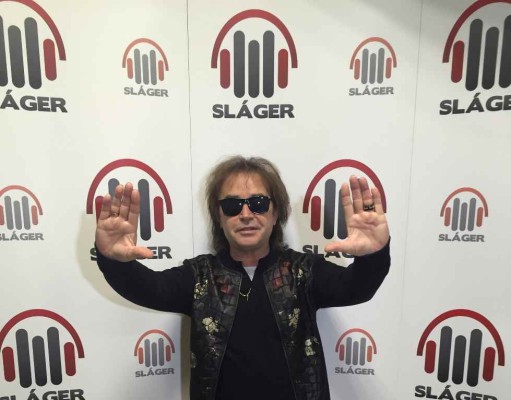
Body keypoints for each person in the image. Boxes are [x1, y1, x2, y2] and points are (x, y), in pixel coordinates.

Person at [95, 155, 390, 400]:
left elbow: (357, 288)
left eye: (258, 203)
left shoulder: (304, 271)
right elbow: (148, 288)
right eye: (232, 206)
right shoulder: (199, 277)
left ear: (275, 212)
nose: (246, 214)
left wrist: (373, 255)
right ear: (219, 216)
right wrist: (114, 261)